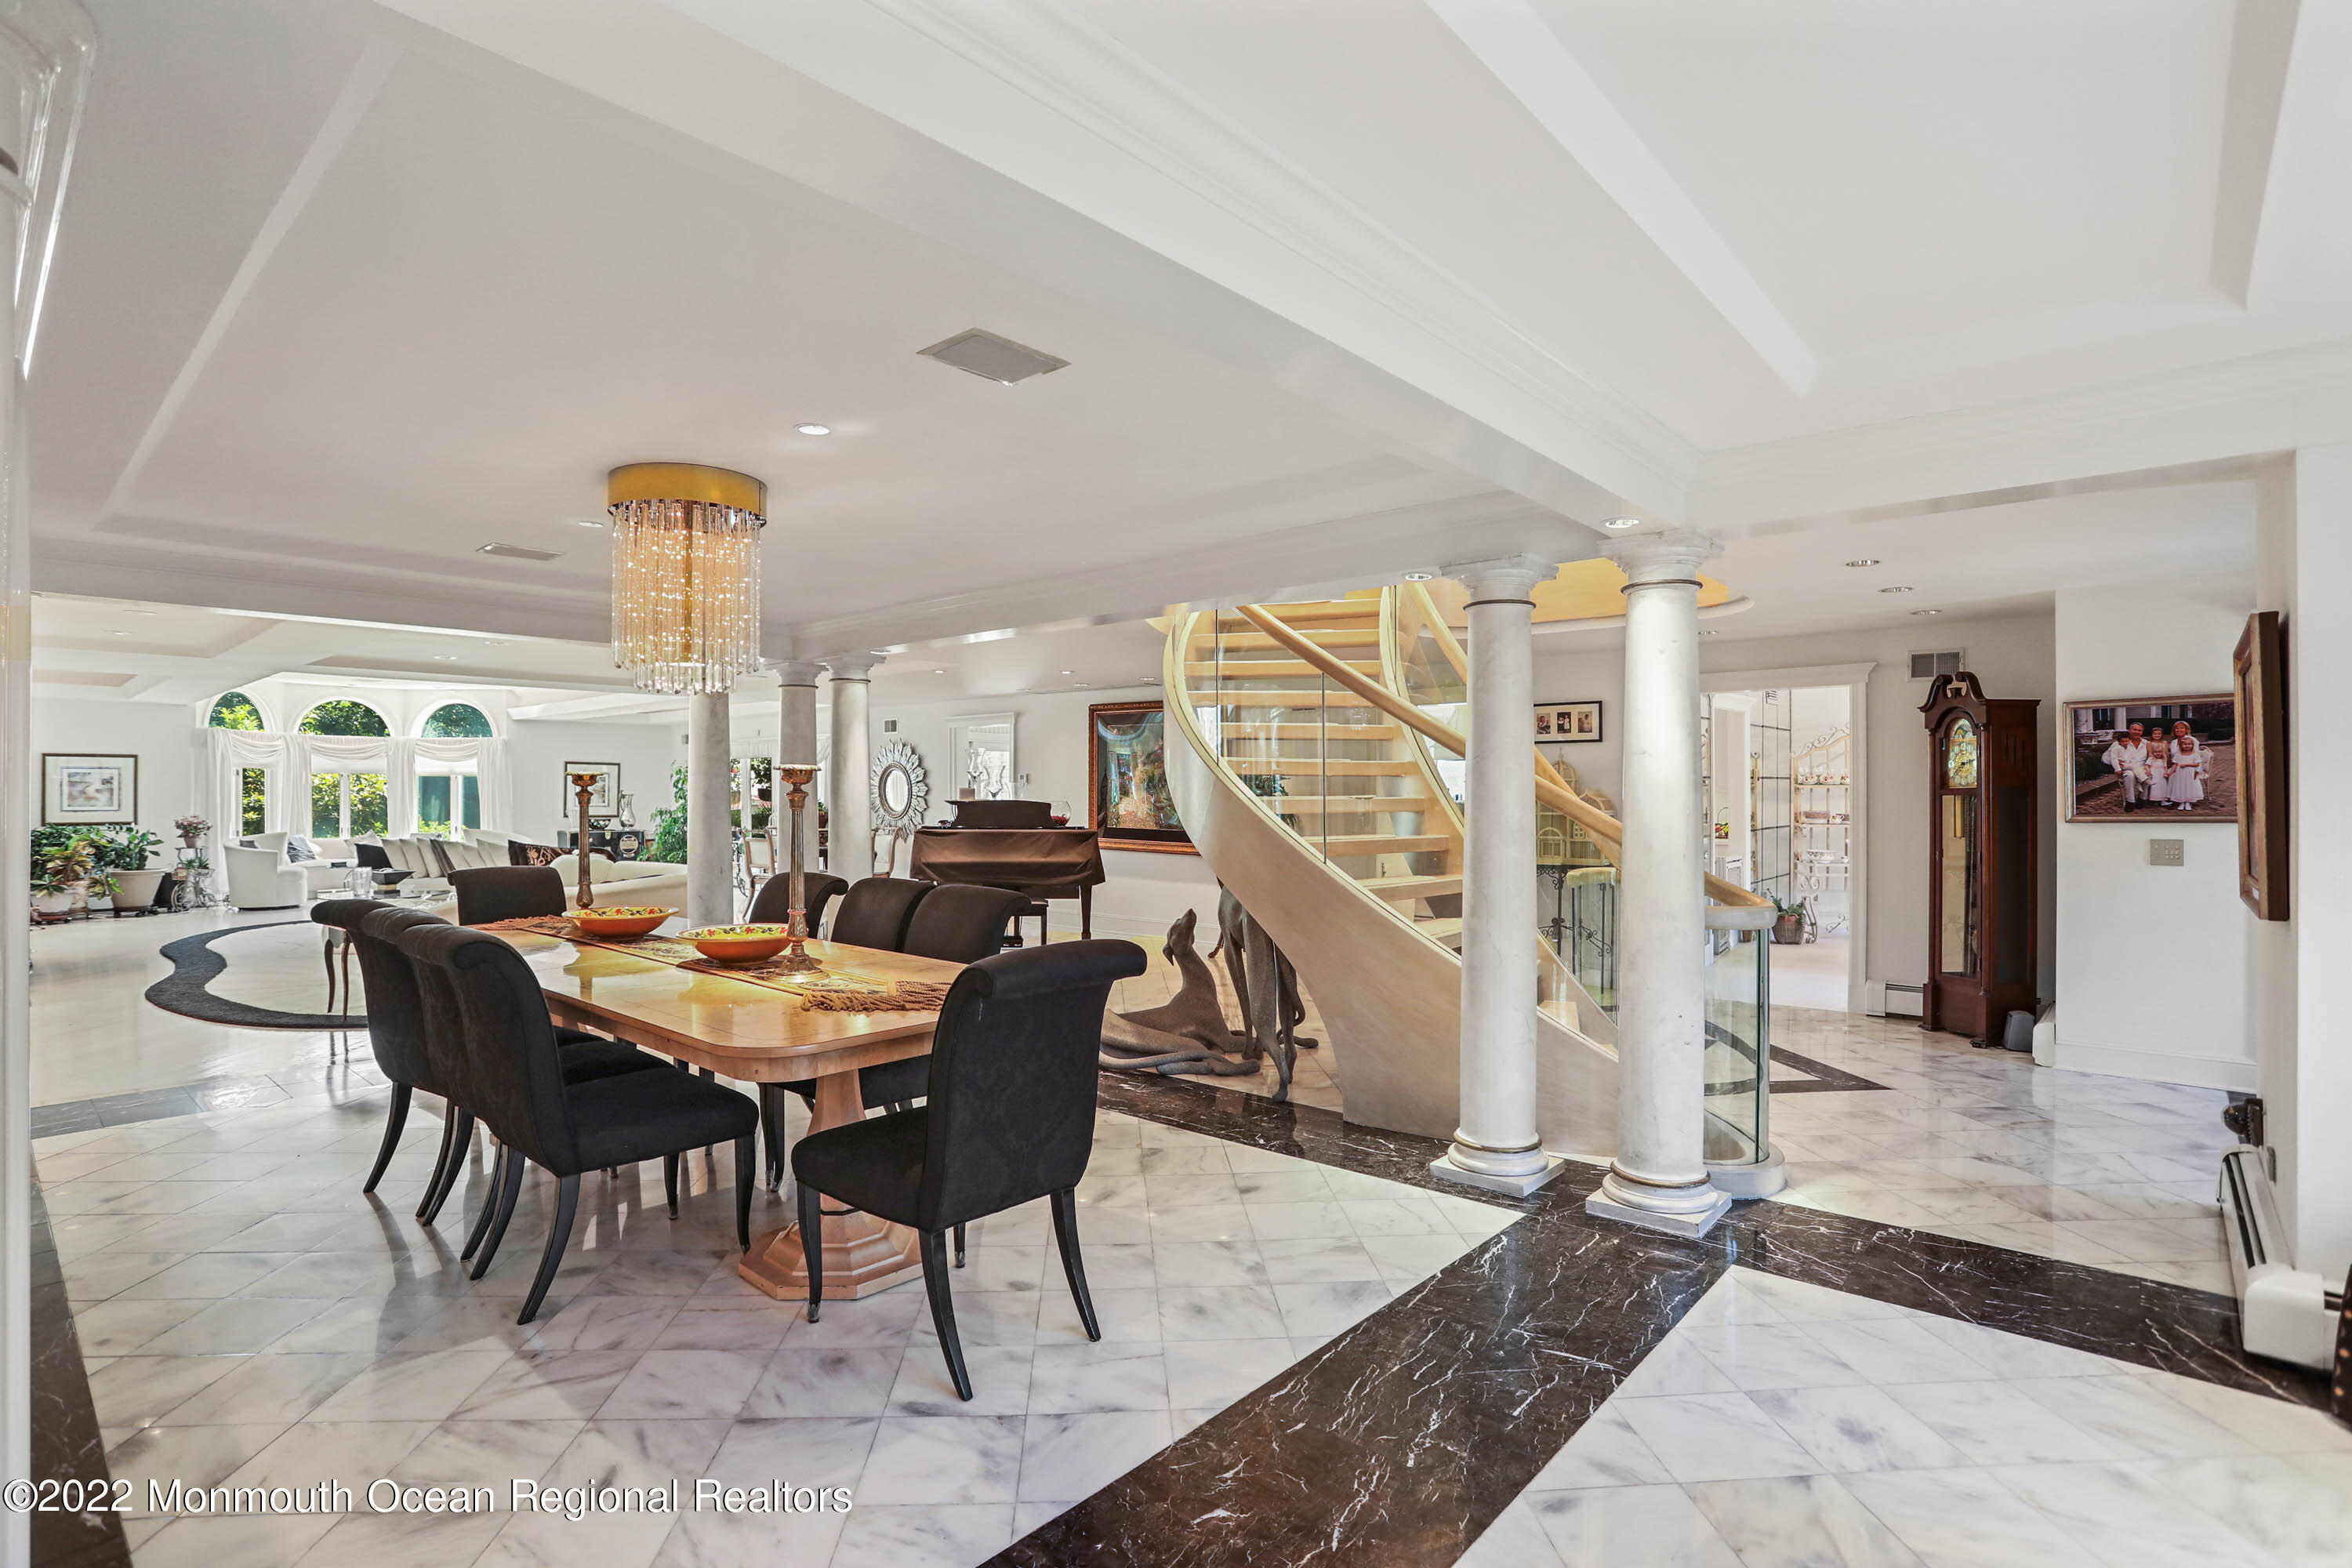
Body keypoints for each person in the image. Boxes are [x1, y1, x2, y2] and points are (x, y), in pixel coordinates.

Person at [2101, 722, 2151, 811]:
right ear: (2130, 730)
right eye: (2134, 729)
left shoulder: (2146, 743)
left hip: (2141, 768)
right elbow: (2105, 757)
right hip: (2127, 768)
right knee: (2130, 775)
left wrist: (2147, 765)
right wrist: (2117, 763)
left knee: (2149, 775)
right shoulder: (2120, 743)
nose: (2137, 732)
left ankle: (2142, 799)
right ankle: (2130, 801)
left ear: (2142, 732)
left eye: (2139, 730)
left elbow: (2151, 756)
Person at [2167, 720, 2207, 811]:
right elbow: (2173, 757)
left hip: (2191, 768)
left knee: (2180, 778)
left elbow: (2197, 757)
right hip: (2177, 766)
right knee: (2163, 773)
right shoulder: (2173, 742)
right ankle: (2169, 798)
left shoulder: (2191, 740)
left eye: (2182, 728)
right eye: (2177, 728)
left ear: (2186, 729)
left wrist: (2197, 771)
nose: (2179, 730)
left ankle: (2187, 799)